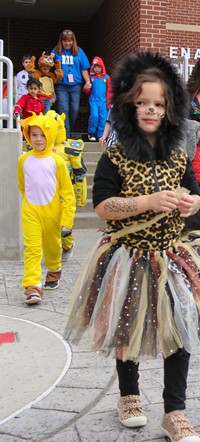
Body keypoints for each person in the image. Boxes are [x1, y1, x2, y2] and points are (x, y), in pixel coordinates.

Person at [64, 52, 200, 442]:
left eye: (158, 103)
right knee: (126, 329)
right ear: (128, 103)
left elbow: (193, 190)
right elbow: (102, 205)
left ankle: (174, 411)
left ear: (169, 105)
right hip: (129, 256)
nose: (150, 110)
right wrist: (146, 202)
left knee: (182, 329)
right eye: (141, 102)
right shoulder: (117, 152)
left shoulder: (177, 152)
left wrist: (193, 202)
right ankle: (128, 396)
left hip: (172, 255)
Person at [18, 112, 76, 305]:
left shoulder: (57, 161)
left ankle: (53, 270)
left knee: (52, 246)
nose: (38, 139)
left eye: (43, 135)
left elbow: (68, 194)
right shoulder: (23, 160)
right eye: (34, 134)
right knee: (32, 248)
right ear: (28, 135)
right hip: (30, 210)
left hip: (53, 211)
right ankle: (32, 286)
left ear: (50, 136)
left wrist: (66, 220)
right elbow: (22, 185)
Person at [52, 29, 91, 137]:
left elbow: (84, 69)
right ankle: (66, 135)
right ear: (61, 41)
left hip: (76, 85)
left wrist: (87, 81)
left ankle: (67, 129)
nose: (67, 43)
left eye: (70, 41)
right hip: (61, 85)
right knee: (63, 109)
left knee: (74, 109)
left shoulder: (79, 51)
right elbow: (48, 64)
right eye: (65, 41)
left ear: (73, 41)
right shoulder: (56, 51)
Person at [83, 56, 112, 141]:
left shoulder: (106, 77)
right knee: (95, 116)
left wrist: (109, 101)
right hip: (94, 100)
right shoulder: (91, 78)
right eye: (95, 66)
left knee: (103, 118)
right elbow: (87, 91)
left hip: (104, 101)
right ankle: (91, 133)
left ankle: (100, 135)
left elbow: (110, 90)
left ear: (102, 67)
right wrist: (86, 88)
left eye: (99, 66)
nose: (97, 69)